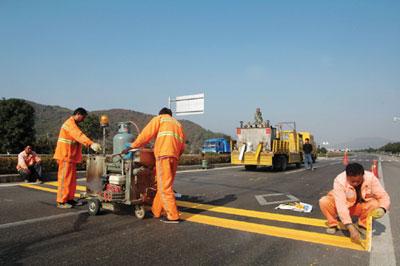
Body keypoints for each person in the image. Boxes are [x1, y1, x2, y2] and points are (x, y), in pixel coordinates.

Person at [121, 107, 185, 223]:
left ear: (161, 114)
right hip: (174, 158)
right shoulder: (178, 124)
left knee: (164, 187)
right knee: (162, 186)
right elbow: (182, 147)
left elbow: (146, 135)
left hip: (163, 156)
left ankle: (173, 216)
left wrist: (132, 146)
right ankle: (157, 211)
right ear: (170, 115)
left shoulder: (160, 119)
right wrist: (175, 155)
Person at [319, 163, 390, 244]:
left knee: (375, 204)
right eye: (352, 181)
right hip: (346, 205)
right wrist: (350, 227)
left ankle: (363, 225)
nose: (356, 183)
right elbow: (341, 205)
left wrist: (383, 208)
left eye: (358, 181)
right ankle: (332, 224)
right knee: (324, 201)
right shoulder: (339, 180)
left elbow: (383, 195)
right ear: (347, 176)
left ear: (363, 175)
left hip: (359, 206)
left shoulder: (371, 178)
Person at [53, 107, 102, 209]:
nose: (83, 120)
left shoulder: (73, 124)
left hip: (70, 157)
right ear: (78, 114)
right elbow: (78, 135)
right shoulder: (70, 124)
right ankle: (61, 201)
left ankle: (69, 199)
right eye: (83, 117)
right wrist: (91, 143)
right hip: (65, 156)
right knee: (64, 180)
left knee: (71, 180)